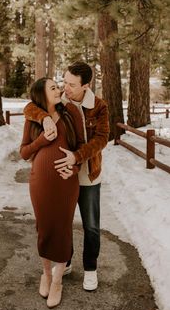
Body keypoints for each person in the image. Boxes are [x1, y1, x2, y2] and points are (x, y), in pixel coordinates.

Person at [24, 61, 109, 291]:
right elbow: (30, 107)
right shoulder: (60, 102)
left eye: (71, 85)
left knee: (91, 225)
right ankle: (66, 261)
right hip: (63, 177)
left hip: (88, 174)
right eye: (64, 82)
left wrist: (76, 157)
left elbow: (101, 140)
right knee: (63, 222)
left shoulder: (99, 107)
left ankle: (90, 269)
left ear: (86, 86)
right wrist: (44, 118)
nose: (65, 88)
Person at [20, 77, 84, 308]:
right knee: (44, 227)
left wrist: (75, 167)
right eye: (53, 88)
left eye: (58, 86)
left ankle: (58, 281)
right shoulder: (33, 118)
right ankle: (46, 274)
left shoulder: (70, 114)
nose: (59, 90)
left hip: (67, 183)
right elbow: (24, 152)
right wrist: (40, 141)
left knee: (63, 228)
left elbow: (81, 149)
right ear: (42, 94)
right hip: (40, 184)